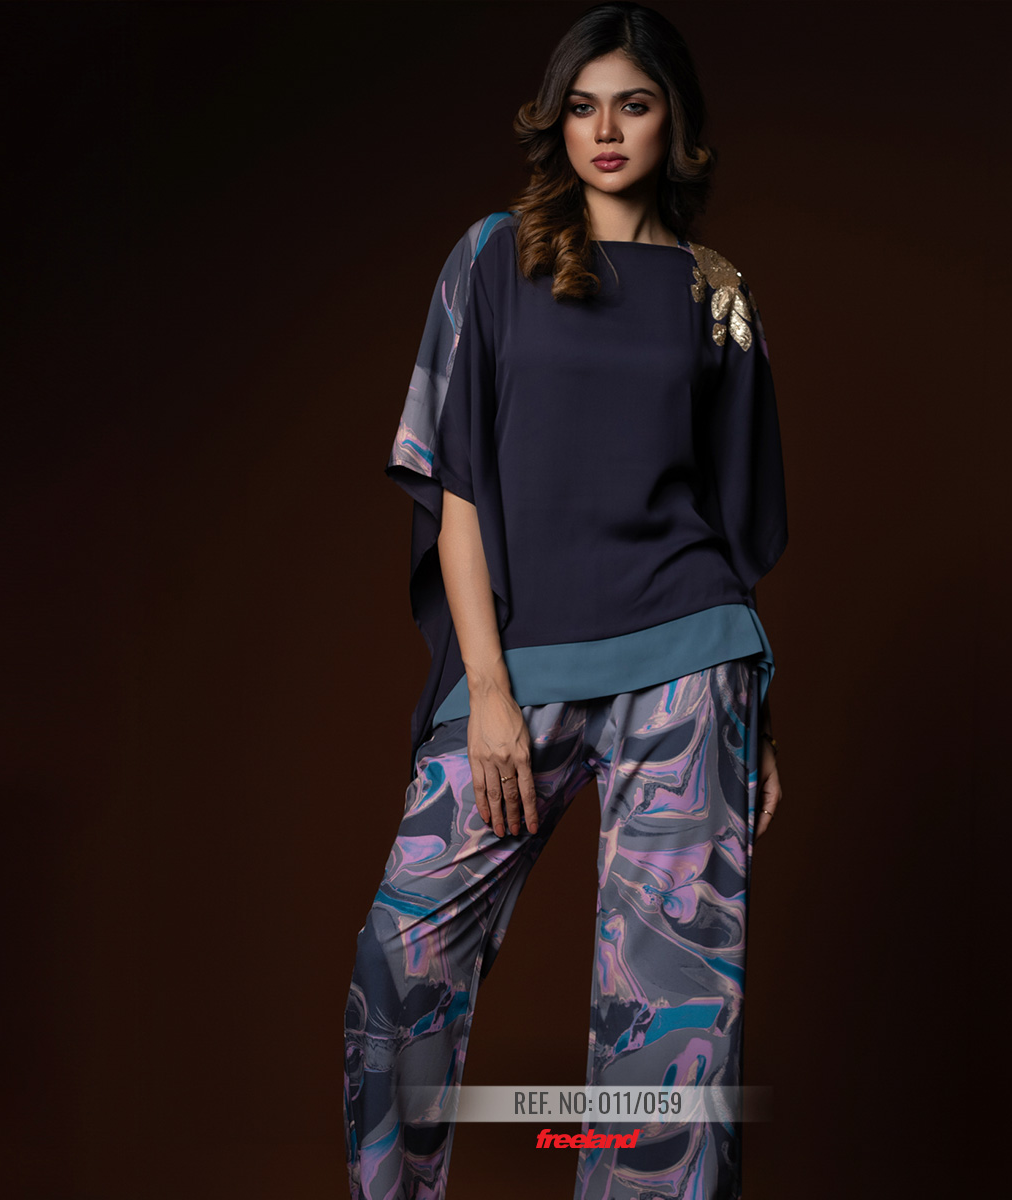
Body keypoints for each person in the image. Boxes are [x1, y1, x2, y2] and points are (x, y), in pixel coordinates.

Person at [343, 4, 788, 1197]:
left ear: (675, 124)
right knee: (399, 963)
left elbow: (732, 522)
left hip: (689, 667)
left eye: (634, 104)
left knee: (668, 1025)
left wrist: (760, 729)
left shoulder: (715, 292)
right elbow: (456, 484)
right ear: (557, 120)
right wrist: (486, 688)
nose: (607, 130)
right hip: (520, 669)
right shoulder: (494, 257)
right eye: (584, 106)